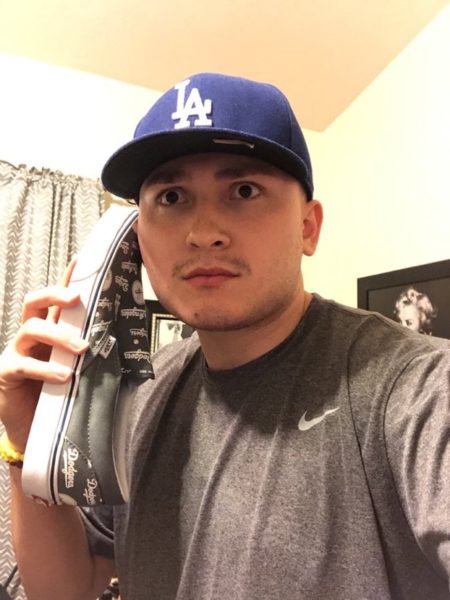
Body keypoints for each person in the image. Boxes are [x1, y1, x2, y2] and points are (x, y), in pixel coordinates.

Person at [1, 72, 450, 600]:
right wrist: (31, 442)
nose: (203, 231)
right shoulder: (141, 391)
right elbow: (71, 589)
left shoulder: (414, 385)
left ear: (308, 227)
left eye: (243, 190)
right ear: (137, 237)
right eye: (171, 197)